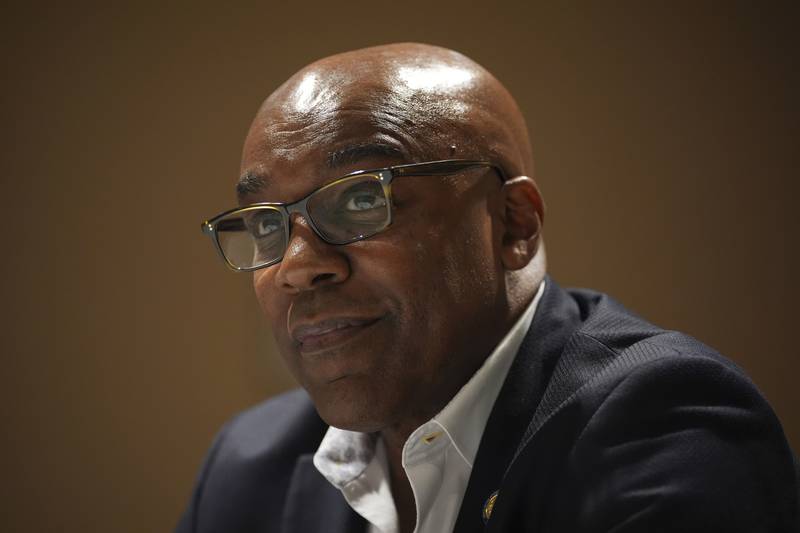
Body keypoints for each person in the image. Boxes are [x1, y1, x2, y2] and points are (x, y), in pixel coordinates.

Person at [177, 43, 798, 533]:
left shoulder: (664, 428)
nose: (296, 266)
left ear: (514, 222)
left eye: (364, 198)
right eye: (264, 223)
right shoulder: (246, 464)